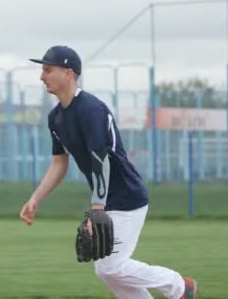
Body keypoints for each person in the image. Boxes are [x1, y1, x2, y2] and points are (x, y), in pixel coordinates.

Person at [19, 45, 197, 299]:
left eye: (48, 70)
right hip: (106, 199)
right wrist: (35, 199)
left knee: (110, 267)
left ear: (68, 73)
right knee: (107, 270)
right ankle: (177, 288)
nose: (41, 76)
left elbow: (100, 158)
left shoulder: (91, 109)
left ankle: (179, 286)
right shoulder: (56, 118)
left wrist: (97, 208)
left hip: (126, 196)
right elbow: (60, 162)